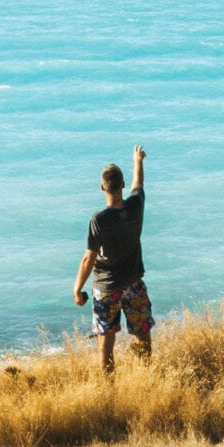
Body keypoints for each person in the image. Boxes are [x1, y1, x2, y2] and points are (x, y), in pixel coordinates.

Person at [74, 144, 152, 373]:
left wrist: (77, 289)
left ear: (102, 187)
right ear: (122, 185)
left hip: (106, 289)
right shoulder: (136, 206)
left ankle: (108, 388)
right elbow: (139, 184)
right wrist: (138, 161)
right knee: (143, 335)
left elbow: (88, 259)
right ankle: (146, 377)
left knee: (106, 345)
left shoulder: (98, 220)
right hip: (134, 284)